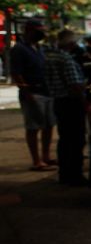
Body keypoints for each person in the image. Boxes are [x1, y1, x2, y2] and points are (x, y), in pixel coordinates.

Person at [10, 19, 57, 171]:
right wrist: (27, 93)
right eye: (39, 30)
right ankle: (36, 161)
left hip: (47, 91)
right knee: (33, 127)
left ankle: (46, 157)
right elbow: (17, 73)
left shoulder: (39, 48)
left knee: (49, 126)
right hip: (33, 93)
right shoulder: (19, 49)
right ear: (30, 30)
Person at [44, 30, 87, 186]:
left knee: (65, 140)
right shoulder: (66, 59)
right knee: (76, 139)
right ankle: (75, 174)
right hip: (71, 103)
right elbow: (74, 85)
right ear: (70, 43)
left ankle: (65, 173)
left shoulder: (49, 57)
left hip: (59, 101)